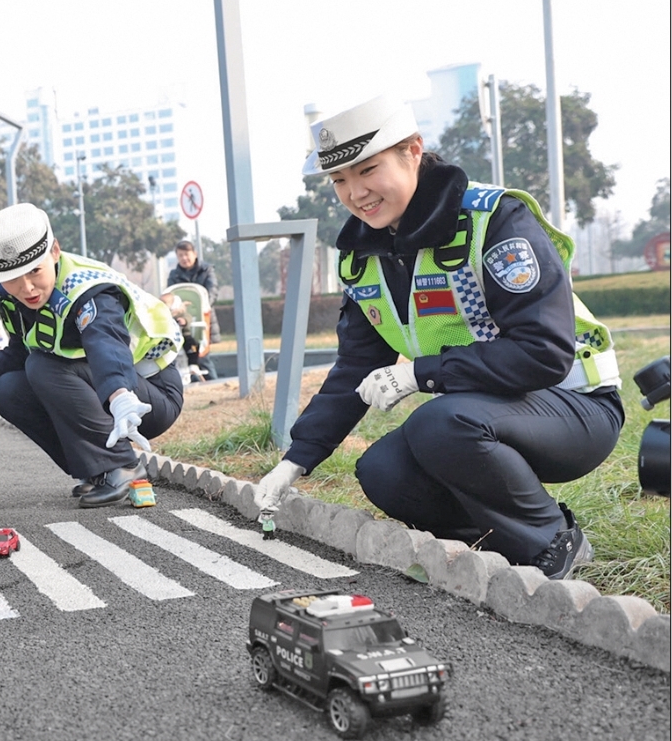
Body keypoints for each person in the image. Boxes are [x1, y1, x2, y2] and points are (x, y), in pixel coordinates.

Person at [252, 95, 623, 580]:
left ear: (412, 151)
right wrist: (295, 461)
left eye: (368, 170)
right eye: (339, 180)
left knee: (439, 423)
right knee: (383, 471)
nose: (355, 193)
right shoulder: (363, 256)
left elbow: (544, 352)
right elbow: (355, 368)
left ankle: (553, 539)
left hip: (575, 407)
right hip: (488, 411)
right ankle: (496, 548)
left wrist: (419, 374)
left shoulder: (494, 220)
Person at [0, 202, 185, 508]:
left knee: (43, 366)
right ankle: (96, 470)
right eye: (13, 278)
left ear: (55, 251)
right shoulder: (11, 299)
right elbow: (18, 354)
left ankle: (121, 466)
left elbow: (105, 343)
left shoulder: (87, 290)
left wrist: (120, 395)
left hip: (143, 396)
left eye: (35, 271)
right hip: (104, 392)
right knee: (9, 389)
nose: (27, 287)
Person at [166, 238, 222, 344]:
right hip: (181, 319)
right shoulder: (174, 275)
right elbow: (170, 296)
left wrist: (203, 306)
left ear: (195, 254)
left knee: (204, 350)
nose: (184, 258)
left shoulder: (207, 270)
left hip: (204, 317)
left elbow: (213, 290)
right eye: (180, 255)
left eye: (186, 254)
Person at [160, 292, 204, 384]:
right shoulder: (162, 314)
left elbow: (188, 317)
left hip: (184, 336)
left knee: (193, 346)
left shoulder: (180, 313)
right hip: (169, 339)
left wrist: (184, 320)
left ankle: (193, 364)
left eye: (165, 303)